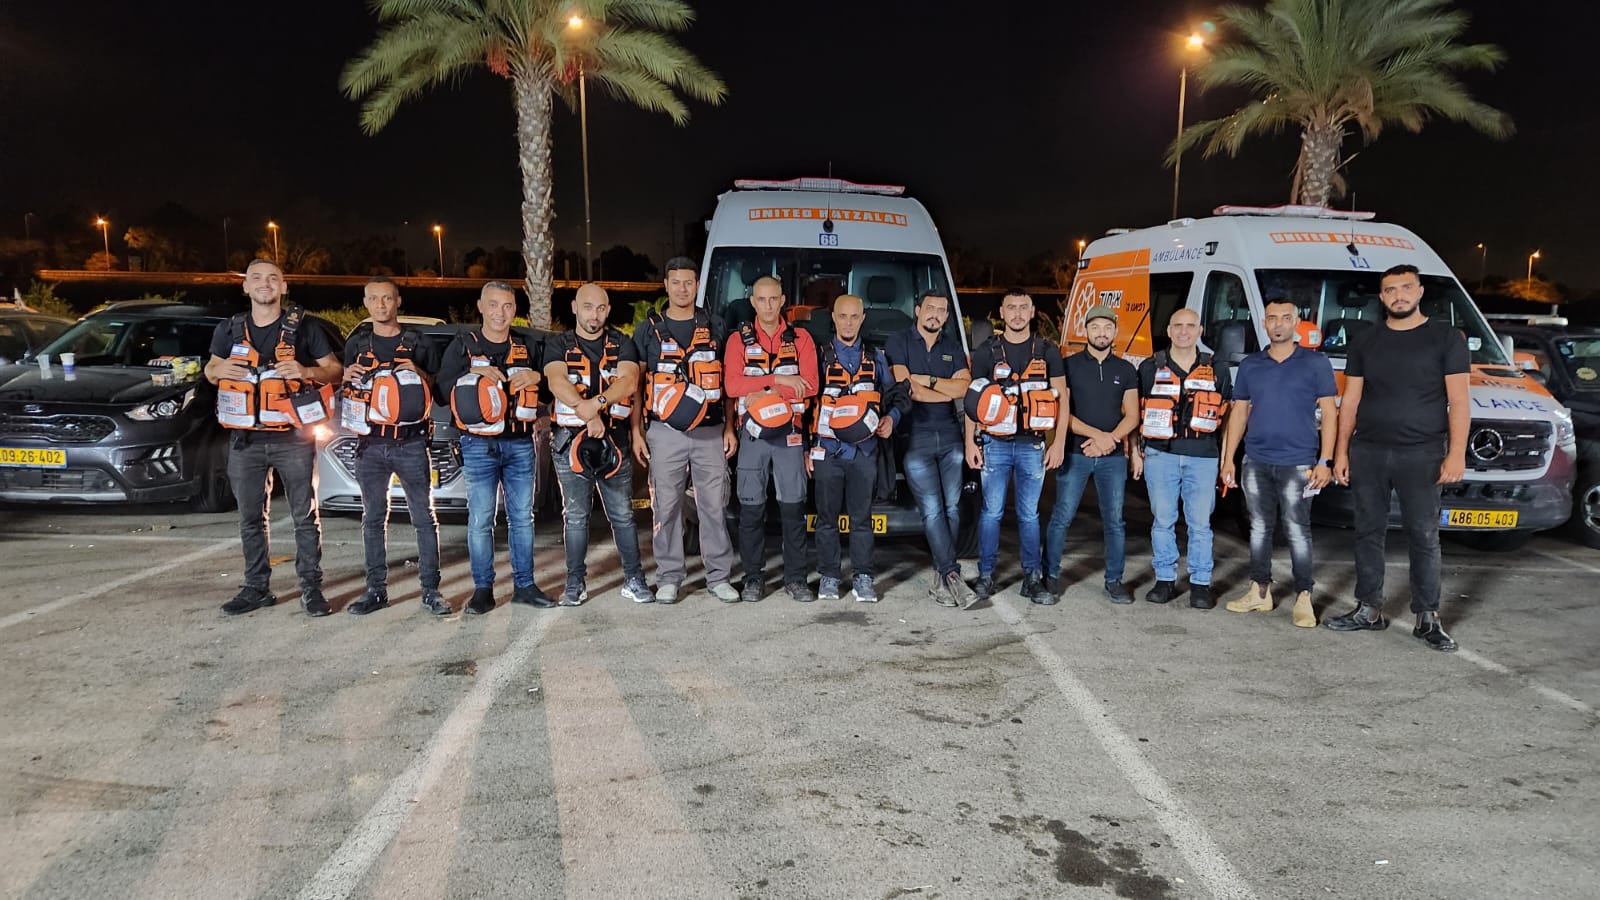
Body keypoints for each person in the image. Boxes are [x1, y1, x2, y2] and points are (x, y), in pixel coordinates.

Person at [1328, 264, 1469, 651]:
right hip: (1369, 451)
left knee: (1423, 535)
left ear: (1420, 292)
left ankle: (1428, 618)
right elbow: (1350, 401)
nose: (1398, 295)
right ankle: (1368, 609)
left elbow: (1459, 401)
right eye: (1390, 290)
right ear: (1382, 296)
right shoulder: (1365, 340)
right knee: (1367, 532)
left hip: (1422, 453)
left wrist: (1456, 453)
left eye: (1406, 287)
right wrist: (1341, 452)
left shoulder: (1446, 338)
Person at [204, 258, 343, 617]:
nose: (264, 283)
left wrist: (306, 370)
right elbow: (210, 370)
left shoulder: (306, 328)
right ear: (245, 287)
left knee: (304, 516)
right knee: (250, 518)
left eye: (272, 278)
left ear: (283, 287)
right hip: (244, 441)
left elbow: (335, 371)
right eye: (256, 278)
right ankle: (256, 588)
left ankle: (311, 589)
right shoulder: (229, 329)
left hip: (293, 439)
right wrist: (219, 370)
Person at [1219, 298, 1338, 628]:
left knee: (1298, 530)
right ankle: (1260, 591)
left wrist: (1325, 461)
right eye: (1272, 318)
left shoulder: (1315, 363)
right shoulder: (1251, 365)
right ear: (1264, 323)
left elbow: (1330, 413)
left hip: (1299, 464)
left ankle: (1303, 597)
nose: (1279, 324)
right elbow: (1239, 413)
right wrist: (1228, 459)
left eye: (1286, 318)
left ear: (1296, 322)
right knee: (1259, 528)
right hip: (1256, 460)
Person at [437, 281, 554, 614]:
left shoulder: (527, 346)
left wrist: (537, 378)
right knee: (481, 519)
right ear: (480, 306)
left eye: (507, 306)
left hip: (520, 443)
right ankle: (483, 590)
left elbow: (549, 393)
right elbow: (441, 392)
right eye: (493, 304)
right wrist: (472, 373)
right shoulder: (463, 346)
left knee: (522, 518)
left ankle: (525, 586)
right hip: (478, 445)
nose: (500, 313)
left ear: (515, 309)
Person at [631, 257, 741, 604]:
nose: (682, 289)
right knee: (666, 507)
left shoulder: (716, 325)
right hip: (665, 432)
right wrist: (636, 430)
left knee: (714, 507)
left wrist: (730, 427)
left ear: (697, 285)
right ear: (666, 285)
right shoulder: (648, 329)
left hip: (710, 432)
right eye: (675, 282)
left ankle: (718, 577)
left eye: (689, 283)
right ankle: (669, 577)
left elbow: (727, 383)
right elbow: (636, 384)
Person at [341, 277, 449, 616]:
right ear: (365, 302)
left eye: (387, 298)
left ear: (398, 301)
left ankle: (431, 591)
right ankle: (376, 591)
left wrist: (418, 372)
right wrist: (346, 376)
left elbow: (440, 393)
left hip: (411, 443)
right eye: (373, 298)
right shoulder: (357, 344)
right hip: (370, 444)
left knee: (424, 518)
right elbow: (347, 386)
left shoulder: (419, 343)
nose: (381, 304)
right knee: (373, 518)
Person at [543, 284, 654, 606]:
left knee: (622, 514)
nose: (595, 315)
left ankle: (634, 579)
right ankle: (574, 583)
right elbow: (557, 381)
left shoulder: (622, 343)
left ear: (608, 310)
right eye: (588, 307)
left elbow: (629, 381)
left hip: (614, 443)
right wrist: (589, 413)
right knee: (575, 516)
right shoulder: (558, 344)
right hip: (569, 443)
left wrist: (598, 403)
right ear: (575, 307)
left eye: (601, 308)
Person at [965, 289, 1069, 604]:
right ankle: (986, 576)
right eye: (1011, 307)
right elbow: (973, 401)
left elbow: (1063, 399)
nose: (1018, 313)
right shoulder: (986, 352)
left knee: (1028, 514)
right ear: (1002, 312)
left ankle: (1032, 579)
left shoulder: (1048, 351)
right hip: (994, 444)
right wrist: (970, 442)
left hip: (1032, 446)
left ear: (1033, 311)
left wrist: (1059, 443)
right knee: (991, 513)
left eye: (1024, 307)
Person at [723, 275, 819, 603]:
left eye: (773, 299)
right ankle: (753, 578)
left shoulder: (801, 338)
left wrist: (764, 393)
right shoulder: (738, 340)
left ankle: (796, 579)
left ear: (782, 300)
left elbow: (811, 384)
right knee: (751, 510)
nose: (768, 305)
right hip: (753, 435)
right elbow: (732, 386)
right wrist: (779, 379)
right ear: (753, 302)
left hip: (790, 433)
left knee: (793, 508)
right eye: (761, 299)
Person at [1133, 307, 1232, 609]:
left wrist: (1226, 458)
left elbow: (1229, 415)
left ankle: (1200, 583)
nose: (1184, 331)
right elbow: (1136, 411)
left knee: (1200, 523)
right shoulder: (1150, 367)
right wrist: (1136, 451)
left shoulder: (1218, 368)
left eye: (1190, 326)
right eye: (1178, 325)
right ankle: (1164, 579)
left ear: (1200, 331)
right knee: (1163, 520)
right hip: (1160, 455)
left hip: (1203, 456)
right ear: (1169, 330)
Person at [1042, 305, 1139, 604]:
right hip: (1076, 452)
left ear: (1115, 331)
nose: (1101, 333)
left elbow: (1133, 415)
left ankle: (1115, 581)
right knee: (1062, 516)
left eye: (1107, 327)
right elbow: (1063, 413)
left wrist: (1111, 440)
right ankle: (1050, 576)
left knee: (1115, 521)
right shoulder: (1068, 366)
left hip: (1112, 457)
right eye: (1095, 327)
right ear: (1085, 330)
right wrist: (1098, 436)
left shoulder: (1126, 370)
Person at [808, 294, 902, 602]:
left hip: (865, 452)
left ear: (862, 319)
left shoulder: (876, 358)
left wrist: (891, 418)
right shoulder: (820, 357)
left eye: (854, 317)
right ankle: (829, 577)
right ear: (833, 318)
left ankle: (863, 576)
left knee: (862, 518)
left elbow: (897, 395)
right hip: (828, 451)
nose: (848, 322)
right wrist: (807, 448)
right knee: (826, 519)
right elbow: (805, 402)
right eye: (842, 316)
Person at [886, 288, 974, 608]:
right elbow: (908, 389)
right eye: (930, 308)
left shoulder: (952, 346)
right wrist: (943, 388)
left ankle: (941, 576)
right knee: (933, 509)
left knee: (953, 508)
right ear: (918, 310)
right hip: (915, 435)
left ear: (947, 316)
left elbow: (965, 388)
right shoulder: (898, 341)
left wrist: (930, 381)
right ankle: (951, 573)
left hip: (950, 434)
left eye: (941, 310)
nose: (935, 314)